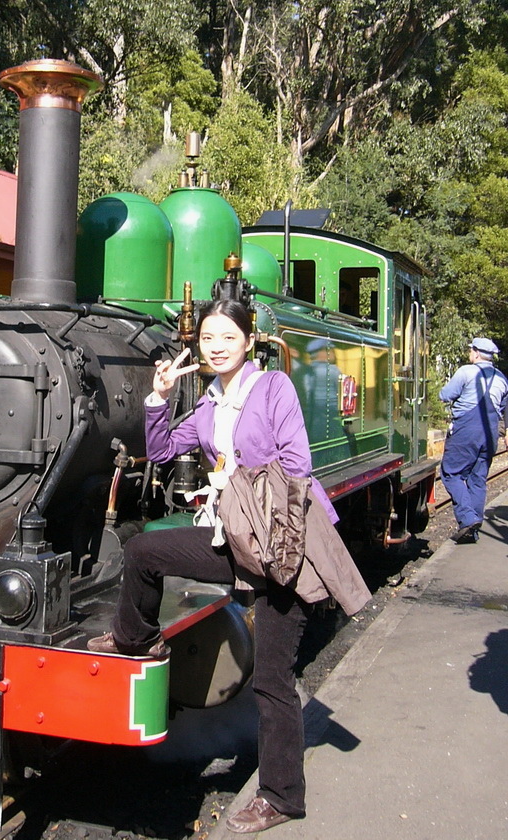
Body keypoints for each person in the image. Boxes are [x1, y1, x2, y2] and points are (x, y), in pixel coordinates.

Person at [88, 300, 368, 834]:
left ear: (248, 340)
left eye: (227, 337)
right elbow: (164, 450)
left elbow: (296, 466)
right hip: (238, 537)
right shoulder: (211, 403)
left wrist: (233, 487)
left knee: (271, 679)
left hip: (284, 548)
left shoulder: (272, 389)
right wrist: (158, 398)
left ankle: (282, 796)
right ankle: (136, 637)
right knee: (145, 552)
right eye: (208, 338)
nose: (215, 346)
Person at [439, 336, 508, 543]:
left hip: (466, 430)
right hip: (490, 432)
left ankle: (468, 519)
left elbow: (445, 395)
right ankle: (473, 529)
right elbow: (505, 409)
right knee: (478, 480)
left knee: (451, 473)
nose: (469, 353)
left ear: (477, 353)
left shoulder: (466, 372)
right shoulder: (502, 378)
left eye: (471, 350)